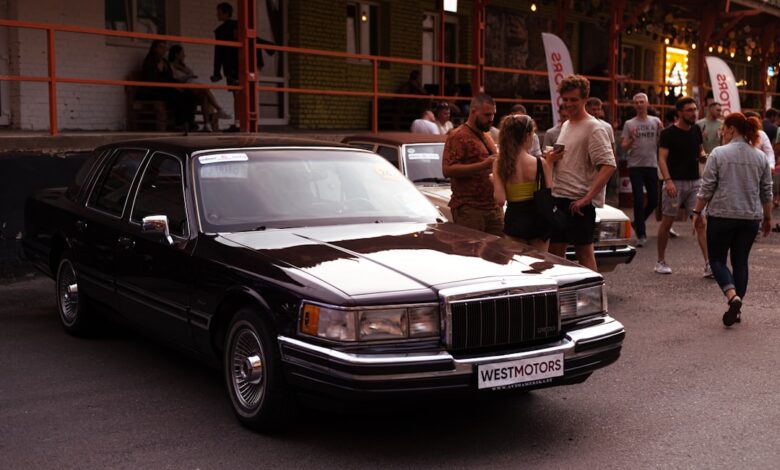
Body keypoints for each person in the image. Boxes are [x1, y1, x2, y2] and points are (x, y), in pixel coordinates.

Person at [691, 112, 773, 326]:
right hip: (750, 216)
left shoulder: (718, 153)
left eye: (724, 129)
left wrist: (697, 212)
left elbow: (707, 186)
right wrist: (768, 217)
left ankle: (732, 297)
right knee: (740, 262)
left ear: (731, 129)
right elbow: (767, 191)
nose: (723, 133)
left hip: (722, 215)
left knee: (717, 259)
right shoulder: (760, 157)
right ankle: (736, 310)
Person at [545, 75, 616, 271]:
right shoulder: (567, 124)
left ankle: (593, 298)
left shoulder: (594, 128)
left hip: (578, 202)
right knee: (555, 251)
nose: (568, 104)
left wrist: (587, 198)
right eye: (565, 99)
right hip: (559, 197)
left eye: (573, 100)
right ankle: (560, 296)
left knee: (584, 253)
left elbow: (609, 165)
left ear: (585, 99)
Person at [655, 97, 711, 276]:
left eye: (695, 109)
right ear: (679, 112)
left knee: (701, 221)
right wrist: (668, 181)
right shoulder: (668, 133)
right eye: (689, 110)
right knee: (667, 221)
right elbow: (662, 159)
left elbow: (700, 150)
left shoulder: (696, 129)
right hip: (675, 182)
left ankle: (709, 264)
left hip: (695, 182)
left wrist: (703, 156)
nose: (693, 113)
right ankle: (660, 261)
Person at [442, 93, 503, 236]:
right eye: (487, 115)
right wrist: (484, 164)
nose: (491, 119)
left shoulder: (487, 135)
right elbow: (447, 170)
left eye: (493, 115)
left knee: (499, 255)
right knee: (471, 253)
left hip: (493, 208)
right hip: (470, 209)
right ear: (474, 111)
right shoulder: (457, 136)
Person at [492, 113, 553, 250]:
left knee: (517, 266)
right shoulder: (540, 163)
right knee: (539, 263)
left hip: (515, 219)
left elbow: (500, 199)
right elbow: (549, 190)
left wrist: (494, 180)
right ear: (527, 135)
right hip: (539, 219)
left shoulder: (500, 163)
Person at [621, 93, 663, 247]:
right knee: (638, 200)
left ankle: (637, 223)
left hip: (651, 164)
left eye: (641, 102)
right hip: (635, 165)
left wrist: (661, 131)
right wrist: (632, 138)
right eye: (636, 102)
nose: (639, 104)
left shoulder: (655, 121)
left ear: (647, 104)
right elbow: (623, 146)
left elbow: (662, 141)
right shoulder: (629, 124)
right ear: (634, 105)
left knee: (654, 200)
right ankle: (641, 234)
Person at [168, 44, 232, 132]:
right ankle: (219, 109)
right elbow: (175, 78)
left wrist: (184, 70)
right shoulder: (170, 66)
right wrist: (187, 76)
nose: (184, 55)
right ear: (176, 54)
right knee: (205, 88)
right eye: (182, 53)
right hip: (183, 87)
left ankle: (207, 124)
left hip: (191, 85)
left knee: (204, 97)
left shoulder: (183, 66)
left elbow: (191, 73)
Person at [139, 40, 196, 130]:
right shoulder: (149, 61)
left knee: (188, 93)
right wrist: (172, 86)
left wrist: (178, 84)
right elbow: (153, 80)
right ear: (155, 48)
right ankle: (179, 123)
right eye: (161, 47)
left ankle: (190, 121)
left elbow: (170, 77)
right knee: (175, 94)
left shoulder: (165, 62)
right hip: (152, 90)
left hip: (165, 88)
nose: (164, 50)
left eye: (165, 48)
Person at [211, 2, 240, 131]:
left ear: (225, 13)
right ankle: (238, 122)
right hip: (238, 65)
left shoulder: (222, 30)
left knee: (237, 94)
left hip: (231, 67)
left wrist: (217, 72)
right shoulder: (238, 25)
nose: (216, 14)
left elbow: (219, 53)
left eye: (219, 12)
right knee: (239, 94)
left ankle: (238, 123)